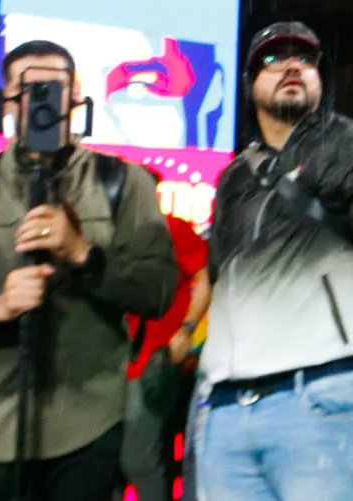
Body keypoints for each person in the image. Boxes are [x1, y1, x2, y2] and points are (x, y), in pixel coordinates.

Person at [0, 40, 176, 501]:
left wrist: (84, 254)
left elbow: (157, 293)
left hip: (85, 433)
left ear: (77, 96)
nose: (42, 99)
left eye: (55, 85)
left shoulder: (124, 184)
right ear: (5, 101)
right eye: (27, 86)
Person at [191, 22, 353, 501]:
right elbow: (219, 278)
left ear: (322, 79)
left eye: (306, 59)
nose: (293, 66)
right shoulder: (233, 177)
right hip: (227, 408)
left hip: (325, 394)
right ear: (250, 83)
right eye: (275, 60)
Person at [120, 180, 208, 501]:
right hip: (106, 366)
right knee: (108, 463)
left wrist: (186, 330)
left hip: (150, 361)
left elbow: (204, 274)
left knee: (139, 459)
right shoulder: (104, 233)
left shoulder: (171, 229)